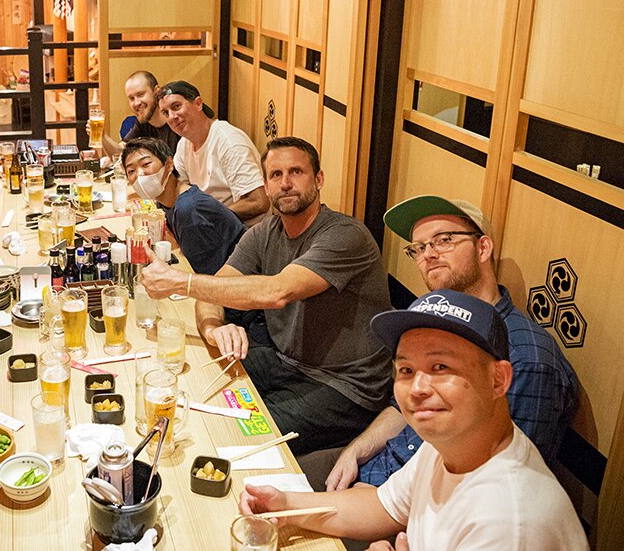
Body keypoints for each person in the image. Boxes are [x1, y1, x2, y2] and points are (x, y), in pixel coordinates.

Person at [240, 289, 588, 551]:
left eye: (441, 366)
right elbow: (383, 506)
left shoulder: (508, 522)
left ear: (499, 380)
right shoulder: (451, 445)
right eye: (406, 370)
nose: (418, 388)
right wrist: (284, 504)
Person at [141, 137, 392, 453]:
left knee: (236, 434)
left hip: (345, 385)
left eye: (296, 172)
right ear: (266, 186)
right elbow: (212, 290)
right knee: (188, 382)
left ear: (318, 179)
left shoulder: (345, 235)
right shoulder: (265, 233)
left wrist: (182, 283)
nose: (285, 183)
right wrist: (214, 328)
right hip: (285, 361)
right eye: (276, 175)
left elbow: (278, 292)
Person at [317, 196, 579, 491]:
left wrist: (381, 504)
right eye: (419, 248)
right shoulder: (435, 317)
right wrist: (357, 450)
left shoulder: (527, 359)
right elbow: (402, 406)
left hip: (415, 503)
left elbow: (502, 484)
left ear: (483, 248)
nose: (428, 255)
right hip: (376, 469)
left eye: (444, 240)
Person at [121, 137, 243, 275]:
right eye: (131, 171)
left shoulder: (189, 209)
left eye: (146, 164)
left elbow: (202, 277)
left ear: (169, 164)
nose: (139, 174)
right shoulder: (164, 199)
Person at [157, 80, 269, 222]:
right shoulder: (184, 143)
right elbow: (174, 188)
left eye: (176, 106)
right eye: (166, 113)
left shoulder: (229, 141)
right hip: (209, 224)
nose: (172, 117)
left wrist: (207, 216)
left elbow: (259, 202)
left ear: (198, 104)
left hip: (242, 228)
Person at [98, 71, 180, 157]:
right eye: (131, 98)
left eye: (140, 95)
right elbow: (120, 153)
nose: (136, 103)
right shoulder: (143, 122)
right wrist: (102, 135)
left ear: (156, 91)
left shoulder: (176, 121)